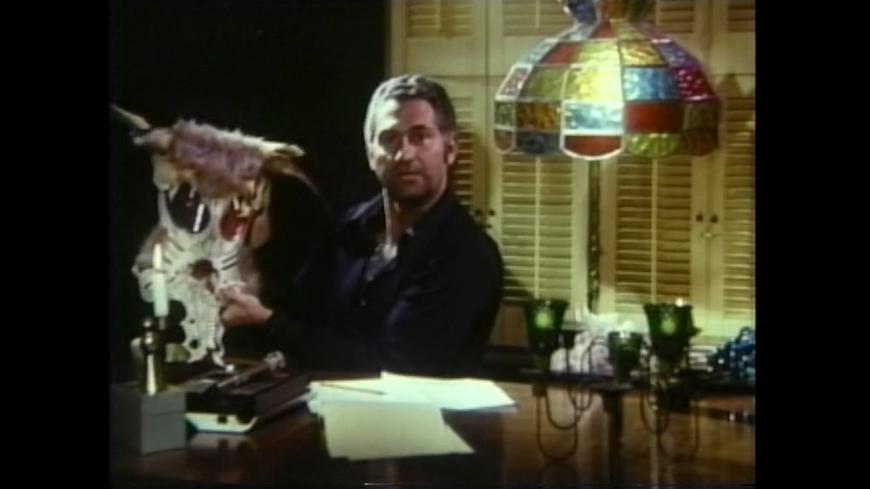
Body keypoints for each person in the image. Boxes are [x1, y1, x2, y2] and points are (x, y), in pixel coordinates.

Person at [219, 74, 503, 377]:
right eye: (389, 138)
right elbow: (299, 314)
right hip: (322, 402)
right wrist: (248, 269)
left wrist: (268, 320)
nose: (404, 154)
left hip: (414, 408)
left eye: (420, 137)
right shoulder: (349, 228)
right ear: (370, 154)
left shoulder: (467, 255)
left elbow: (394, 367)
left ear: (450, 149)